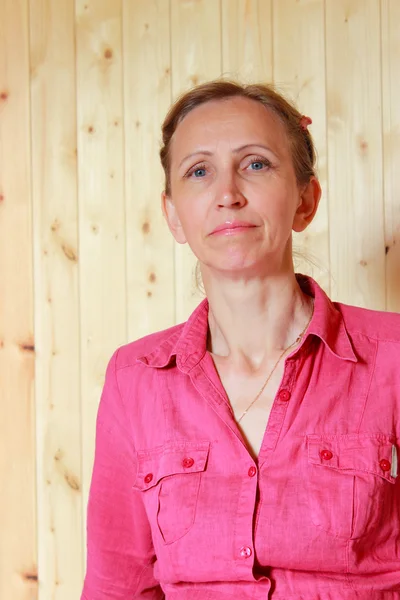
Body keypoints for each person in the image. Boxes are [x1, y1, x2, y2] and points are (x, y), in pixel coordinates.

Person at [80, 80, 400, 599]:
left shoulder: (393, 359)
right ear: (173, 215)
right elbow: (118, 587)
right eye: (199, 171)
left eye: (255, 163)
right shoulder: (133, 379)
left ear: (305, 200)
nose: (227, 194)